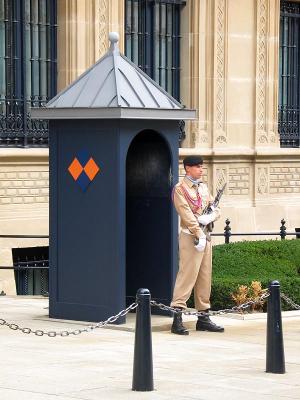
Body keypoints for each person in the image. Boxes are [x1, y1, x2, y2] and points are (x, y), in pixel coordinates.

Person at [170, 155, 224, 335]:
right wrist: (199, 233)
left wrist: (210, 217)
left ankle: (203, 317)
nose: (201, 170)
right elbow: (186, 214)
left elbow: (214, 208)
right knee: (187, 275)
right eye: (198, 167)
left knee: (204, 276)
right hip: (190, 237)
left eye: (201, 167)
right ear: (187, 168)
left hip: (205, 237)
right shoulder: (180, 189)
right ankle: (177, 317)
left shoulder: (203, 187)